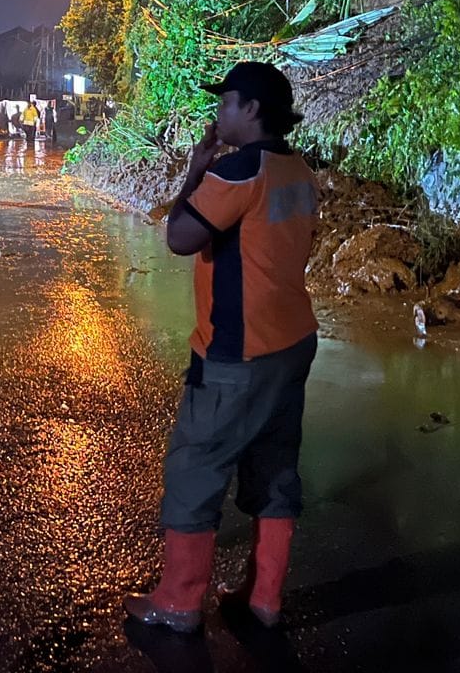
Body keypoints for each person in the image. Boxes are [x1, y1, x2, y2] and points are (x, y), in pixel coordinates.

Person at [125, 61, 319, 634]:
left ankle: (179, 604)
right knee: (275, 467)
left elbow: (181, 236)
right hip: (292, 342)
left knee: (196, 468)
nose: (219, 112)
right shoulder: (297, 169)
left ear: (251, 109)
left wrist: (194, 172)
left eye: (227, 101)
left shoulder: (239, 169)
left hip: (238, 351)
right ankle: (264, 599)